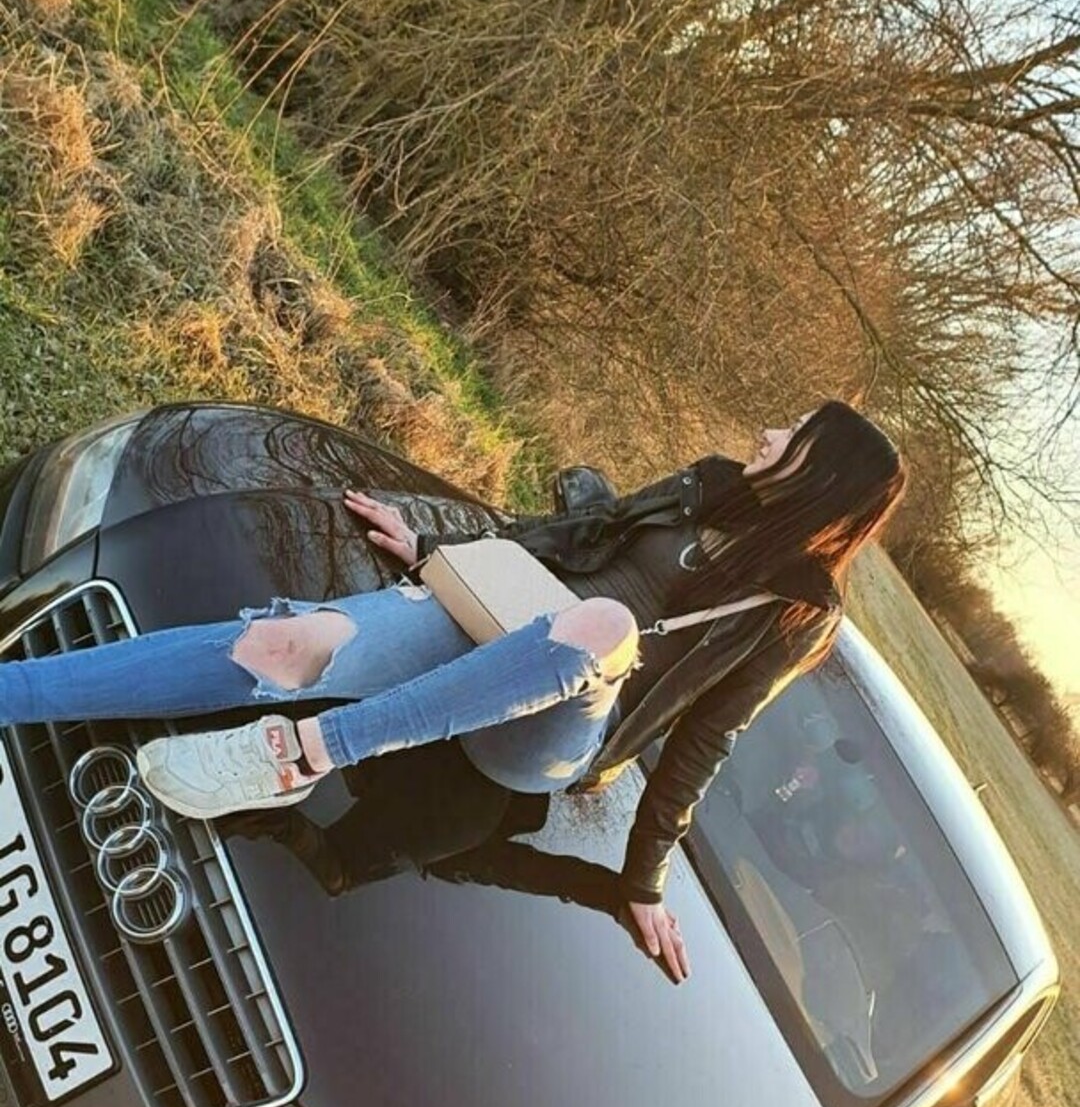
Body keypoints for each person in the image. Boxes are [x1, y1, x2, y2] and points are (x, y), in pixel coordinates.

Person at [0, 400, 907, 983]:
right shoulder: (708, 487)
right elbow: (573, 534)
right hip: (499, 624)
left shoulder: (797, 609)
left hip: (557, 730)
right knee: (283, 643)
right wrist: (436, 550)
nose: (769, 431)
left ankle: (300, 752)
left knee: (602, 626)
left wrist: (642, 879)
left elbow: (708, 738)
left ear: (821, 475)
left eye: (794, 434)